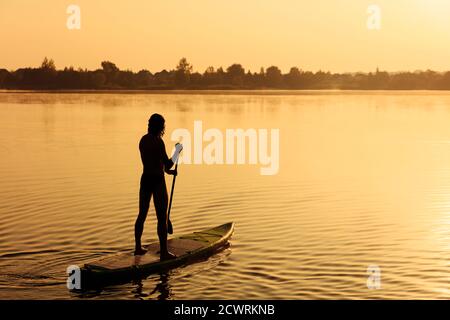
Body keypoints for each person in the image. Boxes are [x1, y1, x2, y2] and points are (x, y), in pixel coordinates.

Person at [134, 113, 183, 260]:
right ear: (160, 127)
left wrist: (168, 172)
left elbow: (156, 163)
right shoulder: (158, 141)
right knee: (162, 218)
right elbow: (167, 163)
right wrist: (177, 152)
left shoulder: (143, 140)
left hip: (145, 179)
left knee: (142, 214)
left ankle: (137, 247)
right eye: (163, 126)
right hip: (157, 181)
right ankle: (163, 252)